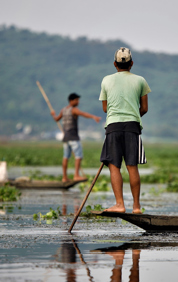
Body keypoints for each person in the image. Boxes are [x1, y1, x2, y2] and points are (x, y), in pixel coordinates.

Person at [99, 47, 151, 214]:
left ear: (115, 64)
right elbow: (144, 108)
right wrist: (133, 114)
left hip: (113, 127)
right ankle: (136, 207)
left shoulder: (106, 80)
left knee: (114, 166)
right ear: (132, 63)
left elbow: (105, 109)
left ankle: (120, 204)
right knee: (132, 166)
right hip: (132, 127)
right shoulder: (140, 80)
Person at [51, 93, 101, 182]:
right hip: (73, 137)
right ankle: (76, 175)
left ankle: (64, 177)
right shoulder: (73, 110)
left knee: (66, 156)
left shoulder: (63, 110)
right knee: (78, 156)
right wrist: (94, 117)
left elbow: (56, 119)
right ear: (71, 101)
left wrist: (53, 114)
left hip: (66, 137)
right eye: (76, 100)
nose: (78, 102)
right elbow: (83, 114)